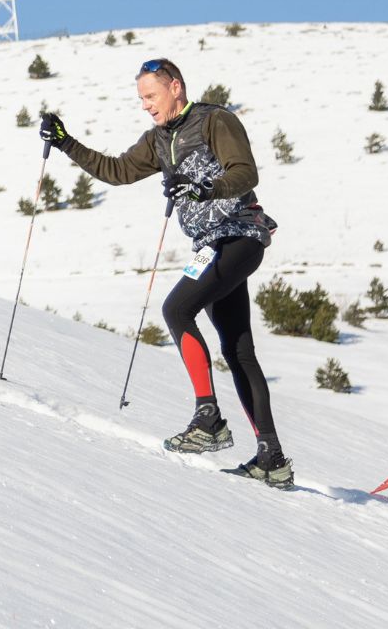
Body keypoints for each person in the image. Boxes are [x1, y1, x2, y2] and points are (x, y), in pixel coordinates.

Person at [36, 57, 294, 489]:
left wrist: (203, 188)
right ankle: (272, 457)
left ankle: (208, 419)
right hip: (210, 247)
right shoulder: (158, 140)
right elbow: (117, 170)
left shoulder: (214, 121)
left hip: (239, 234)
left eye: (151, 96)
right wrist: (66, 143)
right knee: (238, 350)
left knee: (176, 309)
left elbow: (244, 171)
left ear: (175, 87)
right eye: (141, 99)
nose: (146, 105)